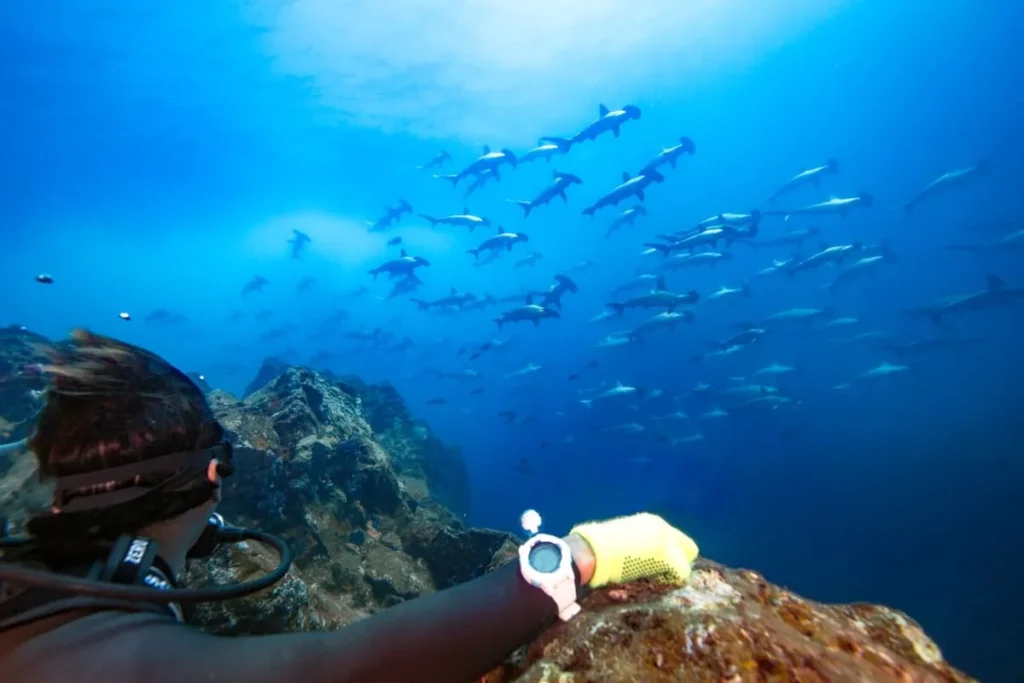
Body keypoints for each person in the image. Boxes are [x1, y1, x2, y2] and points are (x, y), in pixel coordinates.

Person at [0, 330, 700, 683]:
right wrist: (579, 558)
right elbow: (344, 666)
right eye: (224, 460)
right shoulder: (103, 661)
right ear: (204, 479)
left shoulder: (38, 590)